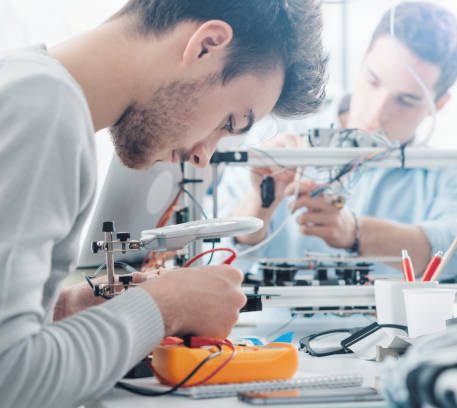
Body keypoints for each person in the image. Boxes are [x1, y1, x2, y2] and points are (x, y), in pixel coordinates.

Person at [0, 1, 327, 406]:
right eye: (229, 123)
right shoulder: (45, 110)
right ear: (206, 45)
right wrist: (165, 307)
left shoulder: (25, 83)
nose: (203, 156)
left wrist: (67, 310)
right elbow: (10, 380)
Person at [220, 1, 457, 279]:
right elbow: (211, 254)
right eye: (373, 81)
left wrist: (357, 232)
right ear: (362, 61)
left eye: (406, 100)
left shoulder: (443, 176)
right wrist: (259, 203)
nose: (377, 113)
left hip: (387, 325)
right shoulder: (275, 137)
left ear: (439, 104)